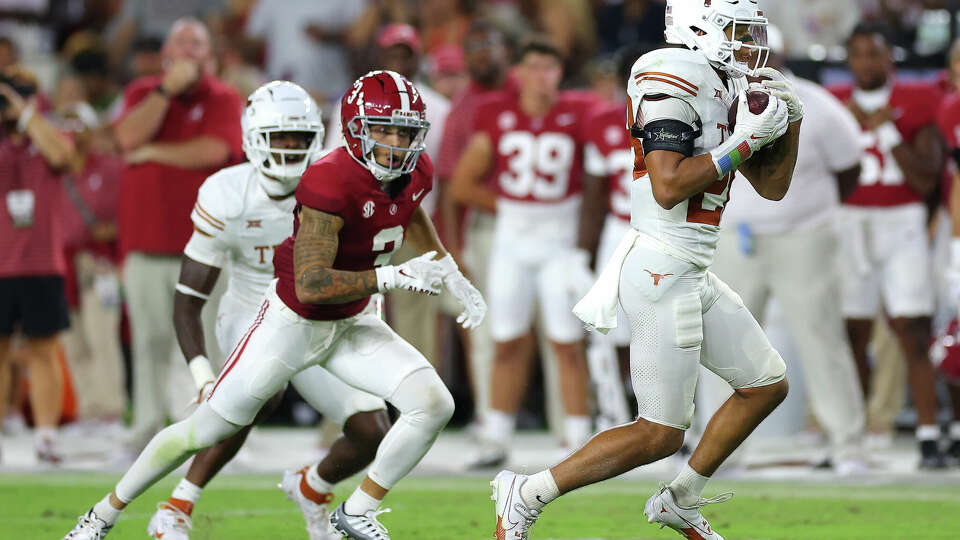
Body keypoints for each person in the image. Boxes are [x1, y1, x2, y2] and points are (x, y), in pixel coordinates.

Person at [62, 70, 486, 540]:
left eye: (405, 131)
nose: (395, 142)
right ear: (353, 129)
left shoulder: (415, 169)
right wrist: (391, 275)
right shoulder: (326, 180)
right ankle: (101, 515)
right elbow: (310, 286)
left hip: (354, 320)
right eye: (383, 129)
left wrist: (448, 269)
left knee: (432, 404)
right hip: (292, 322)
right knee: (202, 430)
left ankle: (356, 509)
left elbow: (408, 207)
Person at [492, 1, 800, 538]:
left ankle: (680, 499)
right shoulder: (672, 71)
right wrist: (749, 138)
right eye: (737, 31)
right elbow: (669, 183)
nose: (749, 44)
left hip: (691, 267)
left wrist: (788, 123)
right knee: (659, 432)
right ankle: (526, 492)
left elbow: (773, 188)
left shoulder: (723, 82)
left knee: (765, 384)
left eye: (753, 32)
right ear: (697, 26)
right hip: (661, 266)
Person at [145, 81, 392, 540]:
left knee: (374, 431)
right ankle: (176, 506)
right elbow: (188, 300)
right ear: (253, 137)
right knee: (260, 391)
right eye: (280, 137)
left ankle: (312, 486)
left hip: (320, 315)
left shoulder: (340, 182)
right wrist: (203, 376)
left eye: (300, 138)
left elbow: (364, 265)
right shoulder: (226, 192)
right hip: (250, 307)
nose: (291, 148)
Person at [703, 24, 868, 474]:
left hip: (803, 237)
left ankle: (848, 442)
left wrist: (807, 211)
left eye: (760, 49)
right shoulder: (718, 101)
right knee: (724, 344)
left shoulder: (815, 103)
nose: (753, 58)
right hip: (734, 239)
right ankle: (719, 450)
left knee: (820, 337)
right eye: (743, 50)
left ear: (780, 52)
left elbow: (849, 169)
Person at [451, 38, 598, 467]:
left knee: (567, 342)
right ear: (518, 72)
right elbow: (462, 184)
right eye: (532, 67)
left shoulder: (580, 112)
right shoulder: (496, 113)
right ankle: (495, 437)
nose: (541, 77)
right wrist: (514, 207)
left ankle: (575, 437)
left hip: (561, 241)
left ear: (560, 74)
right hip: (512, 241)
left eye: (549, 68)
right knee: (507, 340)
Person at [113, 17, 243, 451]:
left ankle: (204, 428)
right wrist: (166, 91)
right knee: (147, 340)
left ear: (211, 54)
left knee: (204, 342)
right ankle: (147, 425)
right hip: (146, 245)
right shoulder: (142, 92)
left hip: (204, 247)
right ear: (166, 55)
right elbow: (128, 137)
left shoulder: (224, 97)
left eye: (197, 43)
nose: (189, 49)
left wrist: (154, 152)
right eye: (180, 42)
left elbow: (216, 150)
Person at [829, 22, 948, 468]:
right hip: (850, 221)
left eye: (874, 53)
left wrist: (888, 132)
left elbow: (924, 180)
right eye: (858, 54)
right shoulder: (833, 103)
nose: (866, 62)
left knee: (913, 330)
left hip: (902, 220)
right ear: (848, 60)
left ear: (889, 58)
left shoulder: (917, 101)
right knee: (851, 334)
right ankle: (852, 438)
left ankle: (929, 435)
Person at [436, 19, 513, 430]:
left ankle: (569, 421)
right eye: (475, 46)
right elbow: (449, 184)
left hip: (543, 220)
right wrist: (453, 247)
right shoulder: (462, 108)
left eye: (490, 43)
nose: (483, 53)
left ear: (506, 49)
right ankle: (490, 415)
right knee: (482, 324)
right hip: (485, 224)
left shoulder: (527, 89)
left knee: (552, 326)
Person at [0, 66, 76, 464]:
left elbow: (64, 155)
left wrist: (27, 115)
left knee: (44, 350)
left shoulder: (45, 135)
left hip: (42, 261)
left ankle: (45, 437)